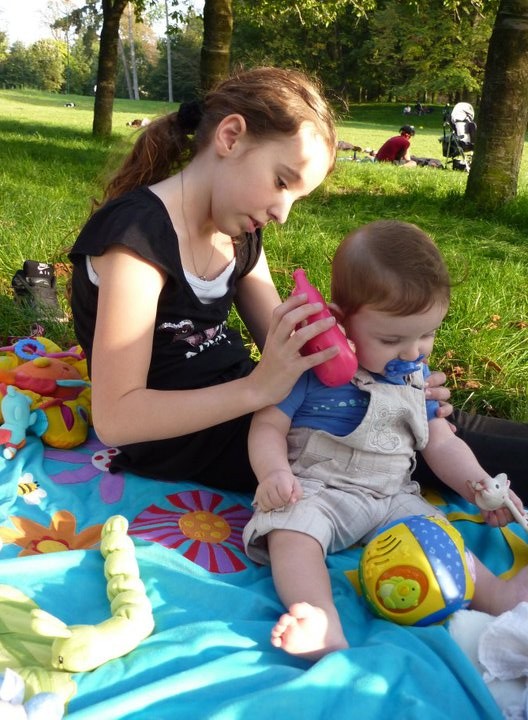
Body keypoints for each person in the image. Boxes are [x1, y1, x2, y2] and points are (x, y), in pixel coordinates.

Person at [68, 65, 526, 498]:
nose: (282, 214)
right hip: (191, 439)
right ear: (230, 137)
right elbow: (117, 418)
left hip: (253, 404)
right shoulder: (138, 239)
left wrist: (393, 375)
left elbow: (294, 343)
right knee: (411, 444)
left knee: (439, 421)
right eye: (282, 183)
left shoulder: (237, 233)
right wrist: (257, 389)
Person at [243, 220, 528, 661]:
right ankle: (319, 618)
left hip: (393, 496)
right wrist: (274, 473)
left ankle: (497, 597)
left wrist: (478, 484)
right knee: (289, 530)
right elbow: (267, 426)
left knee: (440, 539)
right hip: (318, 491)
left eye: (426, 335)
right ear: (339, 321)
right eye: (392, 339)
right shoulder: (310, 368)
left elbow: (441, 443)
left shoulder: (415, 377)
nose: (413, 353)